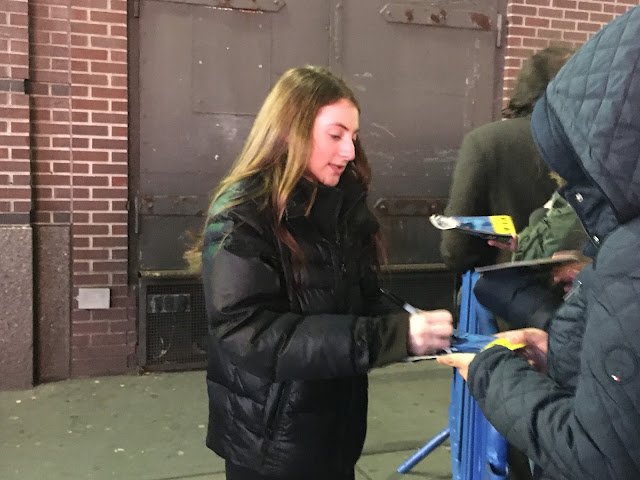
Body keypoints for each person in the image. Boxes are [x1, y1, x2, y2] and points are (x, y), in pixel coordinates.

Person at [184, 65, 454, 480]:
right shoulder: (242, 215)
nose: (349, 151)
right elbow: (250, 333)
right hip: (269, 443)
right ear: (290, 130)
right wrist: (395, 337)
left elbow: (361, 298)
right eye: (336, 135)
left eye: (354, 137)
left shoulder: (342, 206)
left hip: (333, 430)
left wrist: (419, 328)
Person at [438, 6, 640, 480]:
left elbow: (592, 452)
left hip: (517, 321)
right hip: (570, 338)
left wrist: (489, 370)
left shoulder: (485, 142)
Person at [441, 46, 574, 273]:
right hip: (579, 290)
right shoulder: (595, 146)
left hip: (500, 290)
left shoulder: (485, 142)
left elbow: (456, 249)